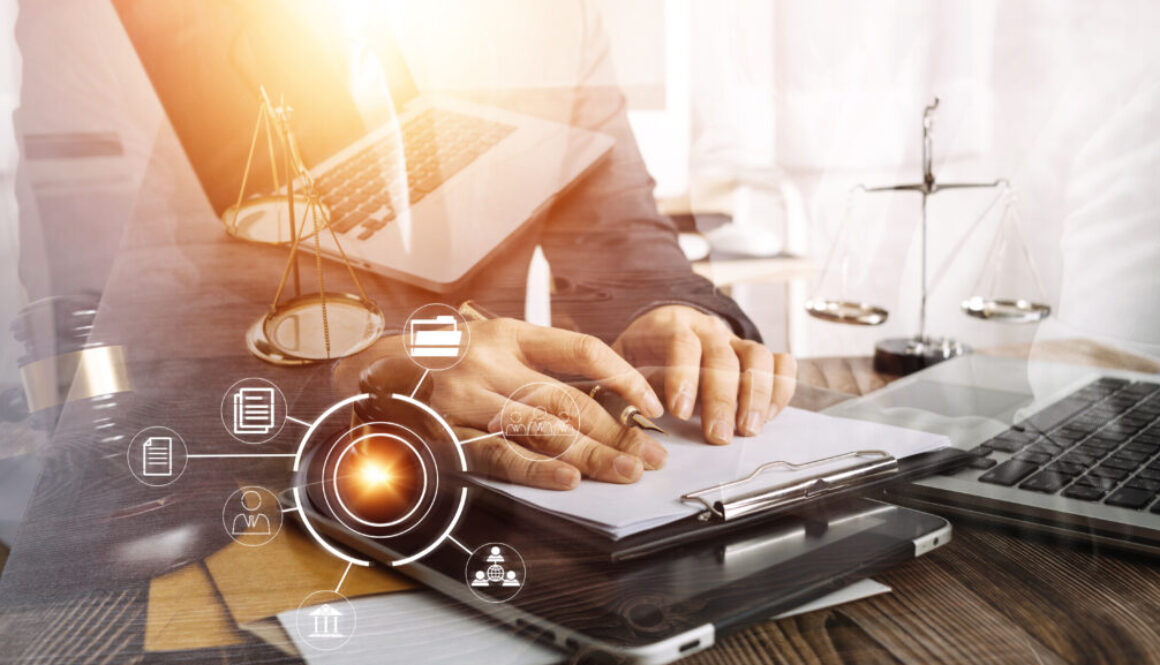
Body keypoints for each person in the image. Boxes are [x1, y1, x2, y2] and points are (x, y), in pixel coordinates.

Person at [346, 1, 797, 491]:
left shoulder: (558, 19)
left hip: (514, 484)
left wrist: (663, 310)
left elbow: (615, 226)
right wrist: (358, 376)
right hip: (306, 477)